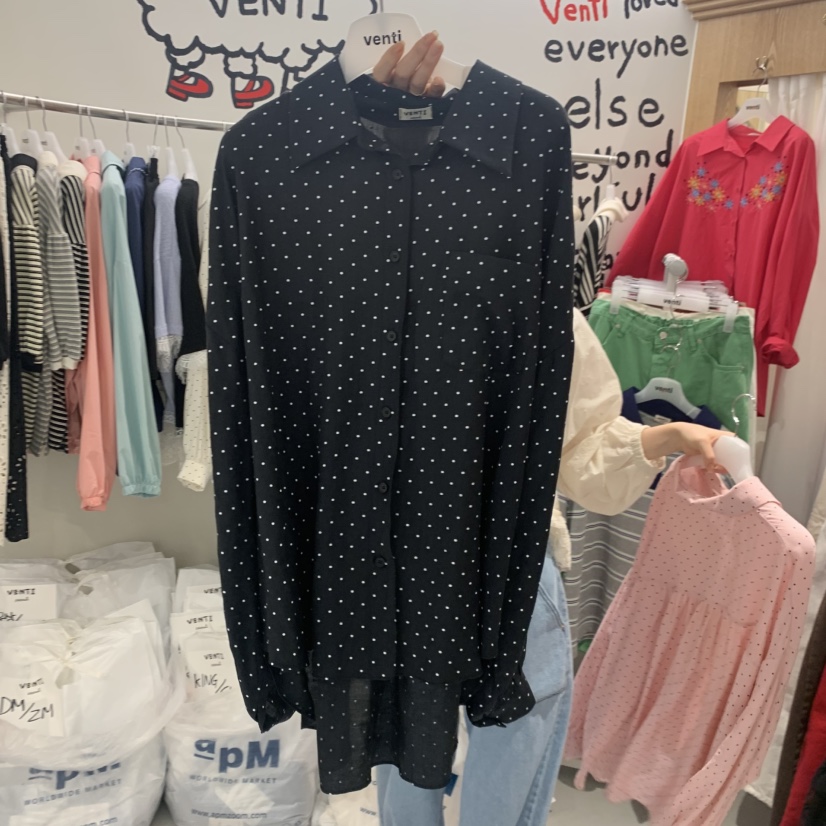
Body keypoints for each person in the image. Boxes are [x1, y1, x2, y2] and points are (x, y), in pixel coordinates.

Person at [366, 35, 725, 826]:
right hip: (393, 568)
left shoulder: (537, 312)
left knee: (508, 767)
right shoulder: (345, 298)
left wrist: (667, 439)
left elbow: (584, 451)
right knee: (405, 769)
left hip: (514, 567)